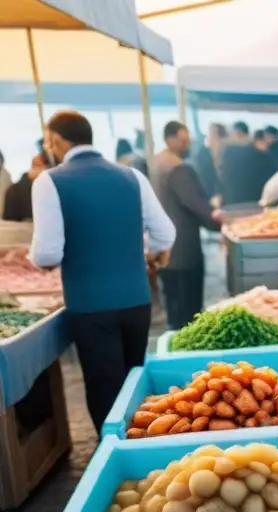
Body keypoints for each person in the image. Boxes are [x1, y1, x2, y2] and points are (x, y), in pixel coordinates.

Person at [29, 111, 175, 433]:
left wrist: (39, 260)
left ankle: (115, 453)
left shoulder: (49, 181)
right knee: (135, 379)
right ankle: (146, 440)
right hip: (137, 299)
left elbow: (47, 253)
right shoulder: (132, 176)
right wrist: (144, 258)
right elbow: (165, 233)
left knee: (104, 387)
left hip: (90, 304)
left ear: (55, 140)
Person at [151, 121, 222, 330]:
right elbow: (196, 204)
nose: (186, 144)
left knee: (173, 307)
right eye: (182, 140)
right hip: (183, 249)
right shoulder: (178, 169)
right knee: (189, 314)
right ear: (169, 139)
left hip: (163, 247)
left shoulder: (155, 163)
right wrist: (219, 221)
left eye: (187, 140)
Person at [219, 121, 276, 206]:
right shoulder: (262, 155)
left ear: (238, 133)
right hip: (256, 202)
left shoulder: (227, 153)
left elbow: (223, 176)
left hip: (232, 202)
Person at [194, 123, 226, 200]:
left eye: (211, 134)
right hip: (207, 195)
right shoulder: (203, 154)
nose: (209, 138)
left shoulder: (228, 154)